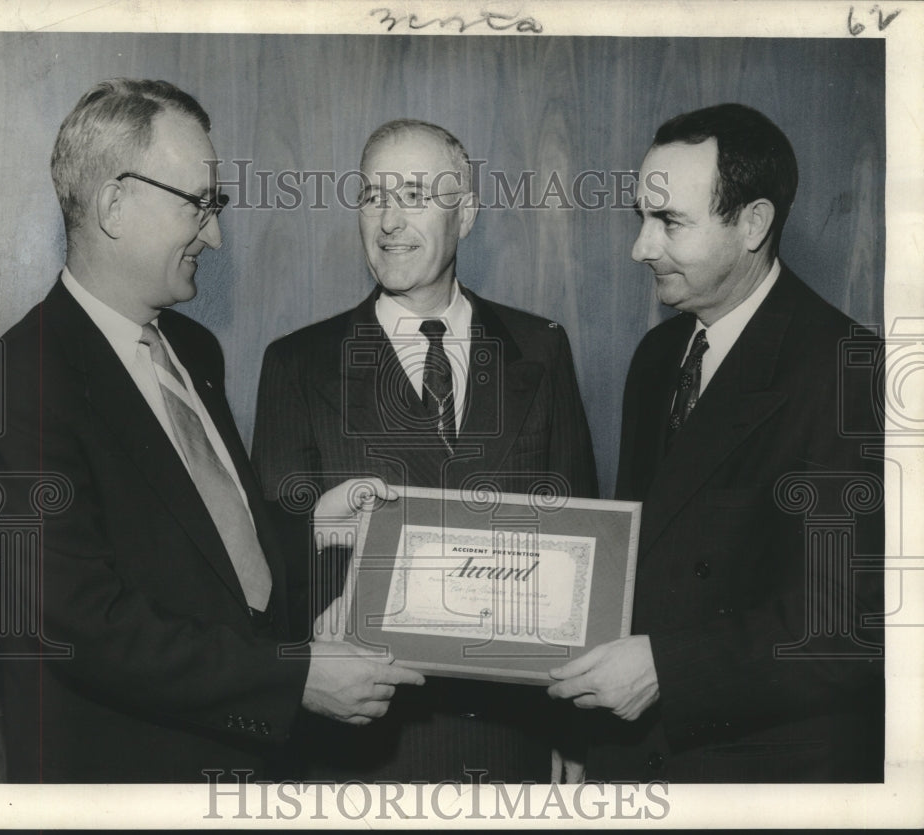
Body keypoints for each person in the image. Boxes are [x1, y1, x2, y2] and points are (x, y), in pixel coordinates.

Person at [0, 78, 423, 784]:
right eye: (199, 204)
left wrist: (315, 529)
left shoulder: (193, 349)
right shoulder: (14, 386)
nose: (215, 233)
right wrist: (291, 679)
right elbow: (82, 626)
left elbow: (206, 555)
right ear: (115, 202)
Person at [252, 119, 599, 782]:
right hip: (362, 757)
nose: (387, 221)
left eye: (414, 194)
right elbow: (276, 579)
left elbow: (578, 557)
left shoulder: (541, 349)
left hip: (512, 749)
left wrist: (577, 735)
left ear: (465, 214)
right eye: (372, 196)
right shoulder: (298, 365)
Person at [548, 103, 884, 782]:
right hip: (638, 759)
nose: (641, 247)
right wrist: (579, 730)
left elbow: (849, 629)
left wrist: (668, 669)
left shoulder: (851, 371)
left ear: (753, 223)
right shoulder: (659, 354)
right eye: (642, 217)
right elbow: (642, 567)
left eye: (670, 222)